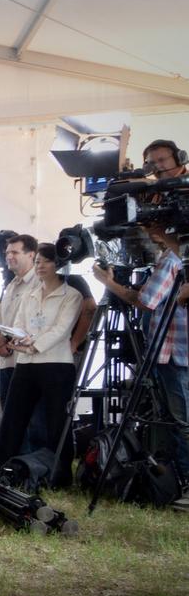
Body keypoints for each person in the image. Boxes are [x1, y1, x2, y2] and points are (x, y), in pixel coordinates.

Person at [95, 214, 189, 504]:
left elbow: (146, 302)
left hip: (173, 354)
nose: (142, 240)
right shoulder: (174, 262)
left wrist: (109, 283)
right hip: (171, 353)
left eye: (146, 232)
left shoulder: (170, 262)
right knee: (177, 421)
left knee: (181, 422)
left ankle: (185, 484)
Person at [0, 244, 82, 485]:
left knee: (56, 423)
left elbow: (61, 330)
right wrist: (18, 339)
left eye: (46, 262)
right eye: (38, 261)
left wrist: (34, 344)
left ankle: (59, 476)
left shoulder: (71, 295)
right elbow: (20, 321)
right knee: (12, 417)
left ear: (58, 265)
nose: (41, 266)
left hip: (56, 364)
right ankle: (0, 468)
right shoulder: (30, 294)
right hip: (26, 362)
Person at [0, 235, 38, 411]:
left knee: (28, 422)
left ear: (31, 255)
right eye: (7, 253)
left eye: (15, 252)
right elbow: (1, 320)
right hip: (6, 362)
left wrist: (5, 339)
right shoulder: (11, 285)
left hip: (27, 363)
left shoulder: (40, 283)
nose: (8, 257)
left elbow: (36, 322)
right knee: (8, 420)